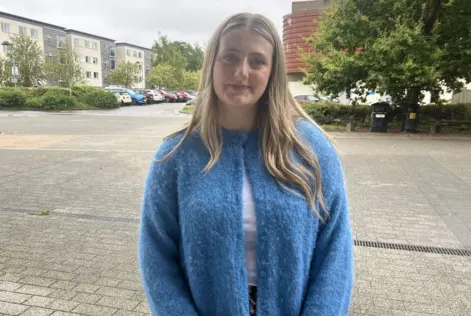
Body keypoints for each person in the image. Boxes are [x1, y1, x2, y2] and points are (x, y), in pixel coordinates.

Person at [138, 12, 354, 316]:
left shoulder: (311, 150)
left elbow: (335, 255)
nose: (241, 72)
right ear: (211, 63)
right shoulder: (175, 156)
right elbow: (157, 258)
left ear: (272, 71)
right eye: (230, 57)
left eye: (257, 61)